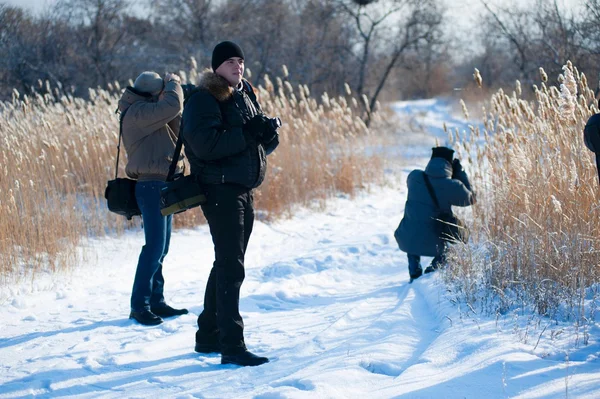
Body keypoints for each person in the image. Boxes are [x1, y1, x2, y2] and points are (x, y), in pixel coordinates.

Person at [181, 41, 279, 366]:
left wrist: (267, 135)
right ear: (216, 67)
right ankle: (232, 346)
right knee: (231, 267)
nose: (237, 66)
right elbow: (207, 145)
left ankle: (207, 335)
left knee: (225, 263)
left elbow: (250, 141)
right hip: (220, 190)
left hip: (242, 188)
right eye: (230, 62)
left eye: (240, 60)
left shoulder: (243, 94)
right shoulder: (203, 99)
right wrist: (250, 135)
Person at [118, 71, 189, 325]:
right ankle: (139, 305)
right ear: (152, 93)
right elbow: (173, 104)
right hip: (149, 186)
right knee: (154, 247)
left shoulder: (151, 113)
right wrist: (174, 84)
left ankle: (156, 301)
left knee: (163, 248)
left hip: (164, 185)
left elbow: (177, 119)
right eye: (161, 92)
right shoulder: (137, 113)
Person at [394, 146, 476, 281]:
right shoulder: (452, 185)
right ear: (449, 165)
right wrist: (459, 173)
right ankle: (431, 272)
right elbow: (471, 198)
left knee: (414, 231)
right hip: (435, 241)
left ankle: (414, 270)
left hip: (406, 238)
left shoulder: (414, 177)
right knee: (449, 250)